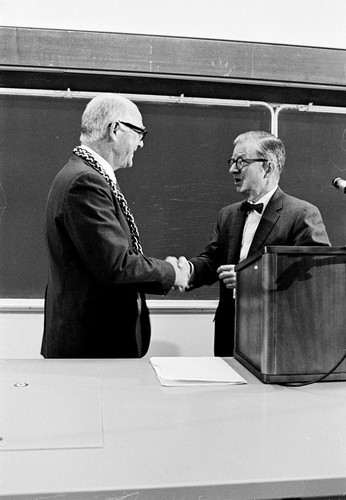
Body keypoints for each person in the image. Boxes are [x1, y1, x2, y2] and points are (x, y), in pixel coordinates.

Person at [41, 93, 190, 358]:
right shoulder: (84, 182)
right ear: (115, 129)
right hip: (91, 348)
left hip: (90, 344)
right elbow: (116, 264)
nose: (141, 144)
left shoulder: (86, 174)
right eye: (139, 133)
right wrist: (172, 272)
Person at [185, 131, 331, 357]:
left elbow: (315, 273)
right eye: (232, 161)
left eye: (241, 161)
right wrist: (185, 271)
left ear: (268, 168)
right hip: (229, 332)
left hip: (276, 334)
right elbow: (212, 261)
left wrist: (250, 277)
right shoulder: (228, 214)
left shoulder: (302, 213)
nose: (232, 169)